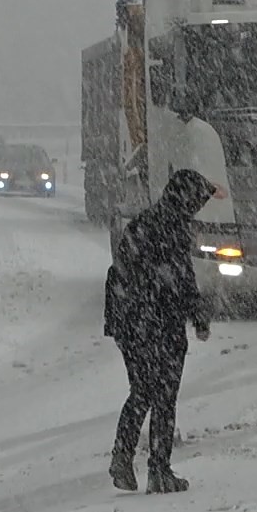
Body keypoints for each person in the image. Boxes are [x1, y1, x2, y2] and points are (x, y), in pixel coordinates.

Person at [103, 168, 221, 492]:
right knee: (164, 396)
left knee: (142, 391)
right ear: (187, 200)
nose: (198, 208)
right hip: (156, 321)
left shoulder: (144, 223)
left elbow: (125, 273)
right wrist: (198, 314)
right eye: (197, 201)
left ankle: (123, 457)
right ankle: (159, 471)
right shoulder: (171, 228)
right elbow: (180, 279)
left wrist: (123, 321)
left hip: (131, 321)